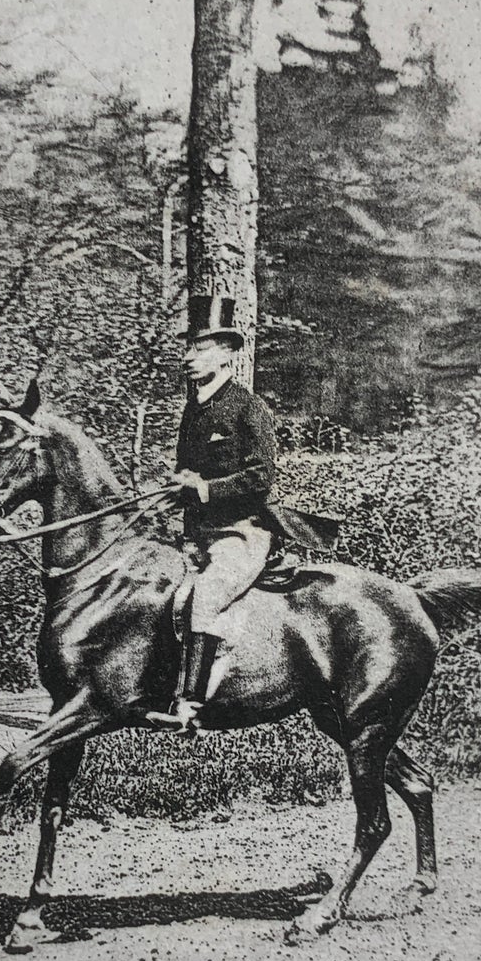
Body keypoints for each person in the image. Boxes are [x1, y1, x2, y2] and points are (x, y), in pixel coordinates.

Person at [166, 295, 304, 730]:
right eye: (188, 347)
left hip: (242, 533)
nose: (190, 357)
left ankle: (191, 704)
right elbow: (189, 476)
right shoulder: (195, 409)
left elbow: (261, 478)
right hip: (199, 533)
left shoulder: (249, 407)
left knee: (206, 596)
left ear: (226, 353)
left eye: (201, 348)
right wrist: (176, 491)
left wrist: (204, 489)